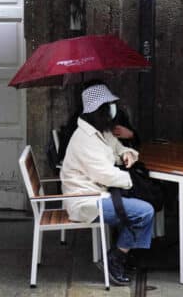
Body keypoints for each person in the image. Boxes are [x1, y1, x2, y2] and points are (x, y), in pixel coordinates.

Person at [61, 83, 154, 286]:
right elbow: (105, 175)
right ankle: (115, 258)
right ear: (99, 109)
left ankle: (123, 254)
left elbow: (117, 147)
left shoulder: (100, 131)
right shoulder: (84, 139)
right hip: (86, 201)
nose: (114, 109)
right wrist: (131, 181)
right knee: (145, 211)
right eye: (109, 105)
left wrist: (126, 154)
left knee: (139, 206)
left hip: (101, 193)